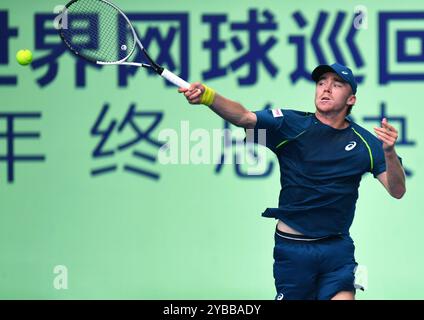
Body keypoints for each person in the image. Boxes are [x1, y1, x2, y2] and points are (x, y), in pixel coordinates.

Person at [178, 63, 406, 300]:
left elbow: (397, 190)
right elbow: (244, 117)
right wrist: (209, 97)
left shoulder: (367, 144)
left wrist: (389, 152)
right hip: (293, 250)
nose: (326, 89)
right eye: (321, 83)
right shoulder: (289, 125)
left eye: (336, 85)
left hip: (337, 249)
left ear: (351, 99)